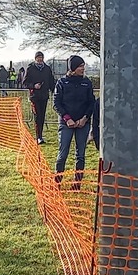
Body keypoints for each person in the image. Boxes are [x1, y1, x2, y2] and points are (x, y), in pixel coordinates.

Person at [52, 54, 97, 187]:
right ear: (72, 68)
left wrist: (85, 118)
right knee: (63, 153)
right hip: (66, 123)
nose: (83, 68)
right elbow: (56, 103)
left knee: (80, 154)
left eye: (83, 66)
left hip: (83, 123)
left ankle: (77, 184)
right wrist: (67, 119)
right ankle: (57, 182)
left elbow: (91, 103)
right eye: (80, 66)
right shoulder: (61, 82)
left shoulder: (87, 83)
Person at [24, 52, 55, 145]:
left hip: (44, 96)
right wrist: (33, 86)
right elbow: (25, 82)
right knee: (37, 116)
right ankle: (38, 137)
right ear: (35, 58)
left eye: (41, 57)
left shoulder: (47, 69)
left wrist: (55, 91)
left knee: (42, 116)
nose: (40, 59)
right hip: (35, 96)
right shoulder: (30, 68)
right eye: (38, 57)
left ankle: (40, 135)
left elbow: (51, 82)